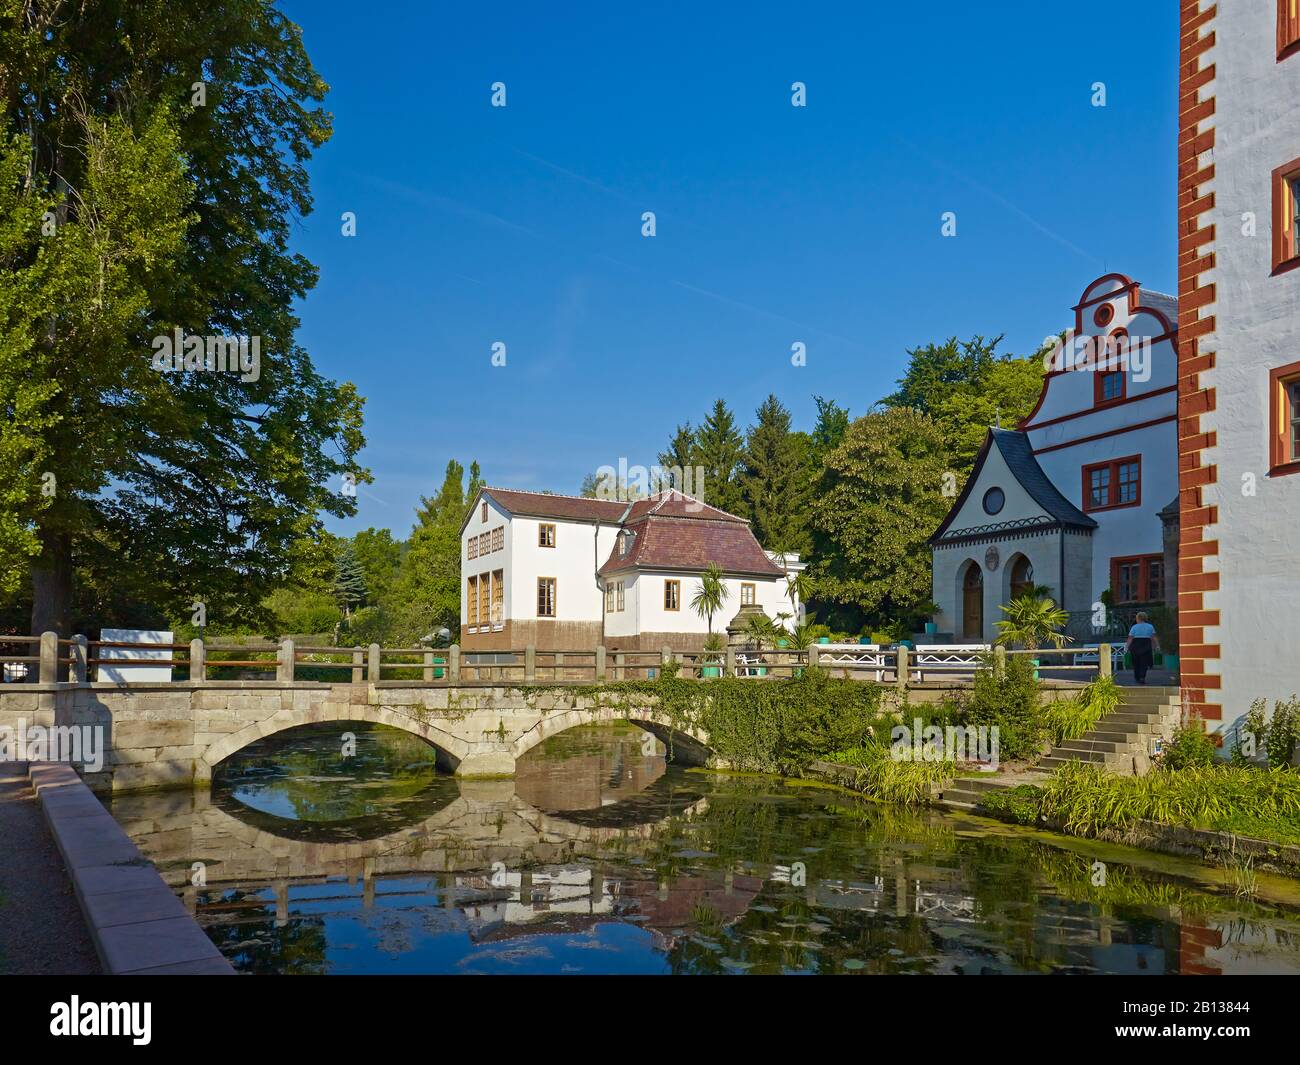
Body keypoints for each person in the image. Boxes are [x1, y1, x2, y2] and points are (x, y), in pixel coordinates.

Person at [1125, 612, 1159, 685]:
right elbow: (1153, 637)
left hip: (1135, 645)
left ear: (1138, 618)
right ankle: (1142, 677)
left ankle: (1137, 677)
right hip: (1146, 644)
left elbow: (1130, 638)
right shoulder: (1150, 626)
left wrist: (1127, 647)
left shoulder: (1134, 627)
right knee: (1144, 663)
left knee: (1136, 663)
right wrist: (1157, 645)